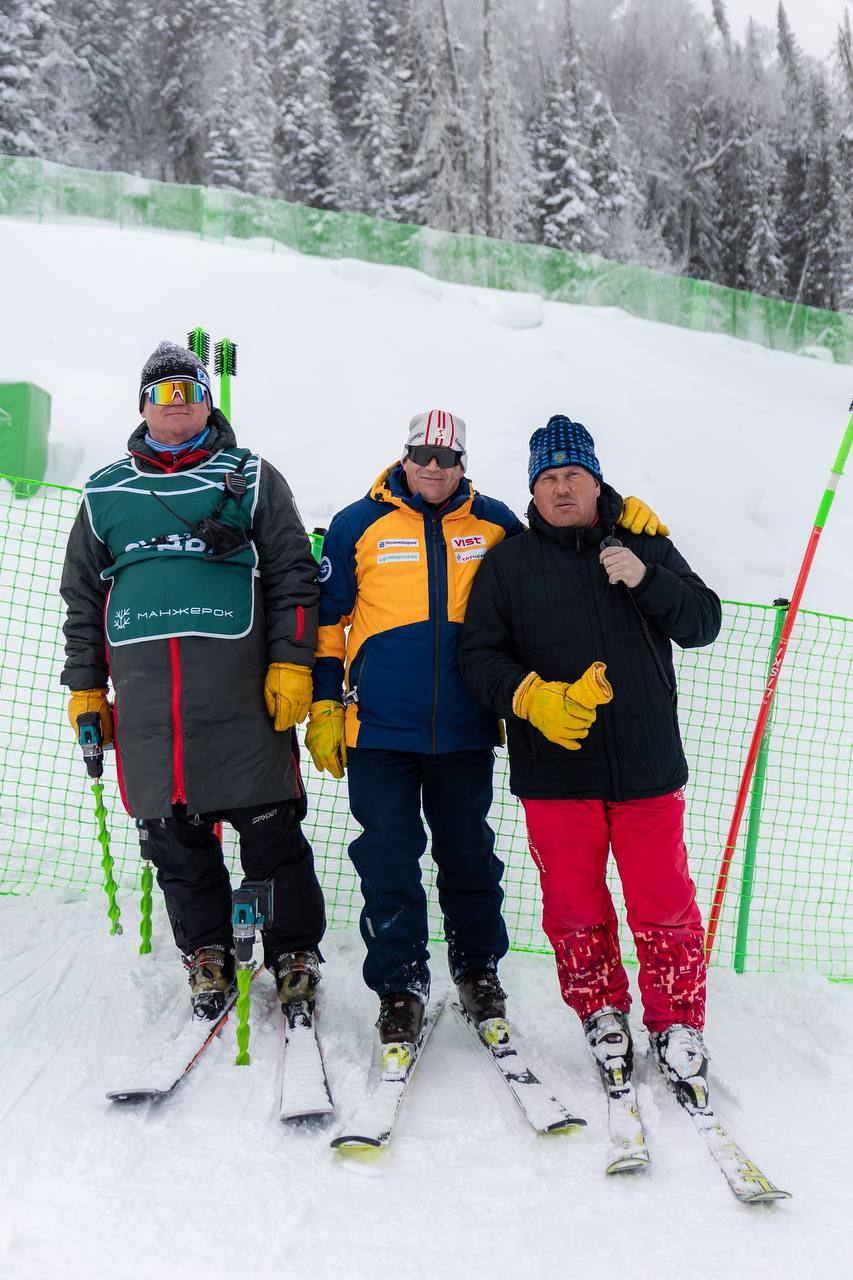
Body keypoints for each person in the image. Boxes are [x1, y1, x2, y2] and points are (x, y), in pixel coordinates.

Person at [304, 409, 667, 1049]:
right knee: (387, 859)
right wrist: (326, 704)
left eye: (446, 458)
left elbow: (557, 546)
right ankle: (399, 986)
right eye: (422, 455)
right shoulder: (356, 524)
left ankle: (478, 971)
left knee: (469, 856)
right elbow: (327, 624)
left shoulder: (495, 523)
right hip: (379, 732)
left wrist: (621, 516)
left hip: (466, 729)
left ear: (462, 463)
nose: (433, 468)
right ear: (405, 456)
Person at [59, 341, 326, 1020]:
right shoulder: (105, 492)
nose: (176, 405)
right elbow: (82, 600)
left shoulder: (252, 476)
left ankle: (291, 949)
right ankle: (206, 948)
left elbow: (295, 575)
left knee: (270, 838)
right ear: (142, 406)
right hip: (150, 713)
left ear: (208, 401)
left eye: (189, 391)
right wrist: (87, 688)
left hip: (241, 701)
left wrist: (292, 661)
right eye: (162, 393)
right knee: (176, 844)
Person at [458, 414, 721, 1099]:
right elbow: (477, 658)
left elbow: (703, 623)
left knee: (664, 901)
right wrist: (529, 696)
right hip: (554, 769)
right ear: (532, 490)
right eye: (547, 478)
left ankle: (676, 1022)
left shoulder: (643, 543)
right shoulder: (509, 565)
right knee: (574, 905)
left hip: (646, 766)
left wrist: (647, 578)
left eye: (572, 473)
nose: (561, 488)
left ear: (596, 481)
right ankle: (600, 1012)